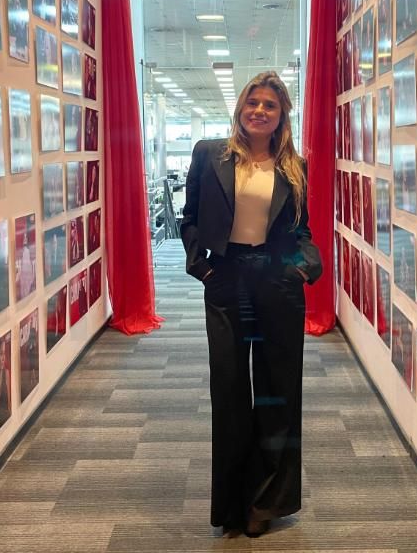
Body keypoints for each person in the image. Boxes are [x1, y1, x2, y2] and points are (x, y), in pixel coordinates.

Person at [180, 71, 322, 538]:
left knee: (278, 390)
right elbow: (189, 218)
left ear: (282, 116)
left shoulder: (294, 166)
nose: (259, 111)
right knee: (230, 389)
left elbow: (301, 230)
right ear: (241, 107)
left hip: (277, 282)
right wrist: (201, 267)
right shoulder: (209, 154)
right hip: (226, 280)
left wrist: (303, 268)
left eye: (270, 105)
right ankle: (232, 505)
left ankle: (266, 502)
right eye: (253, 102)